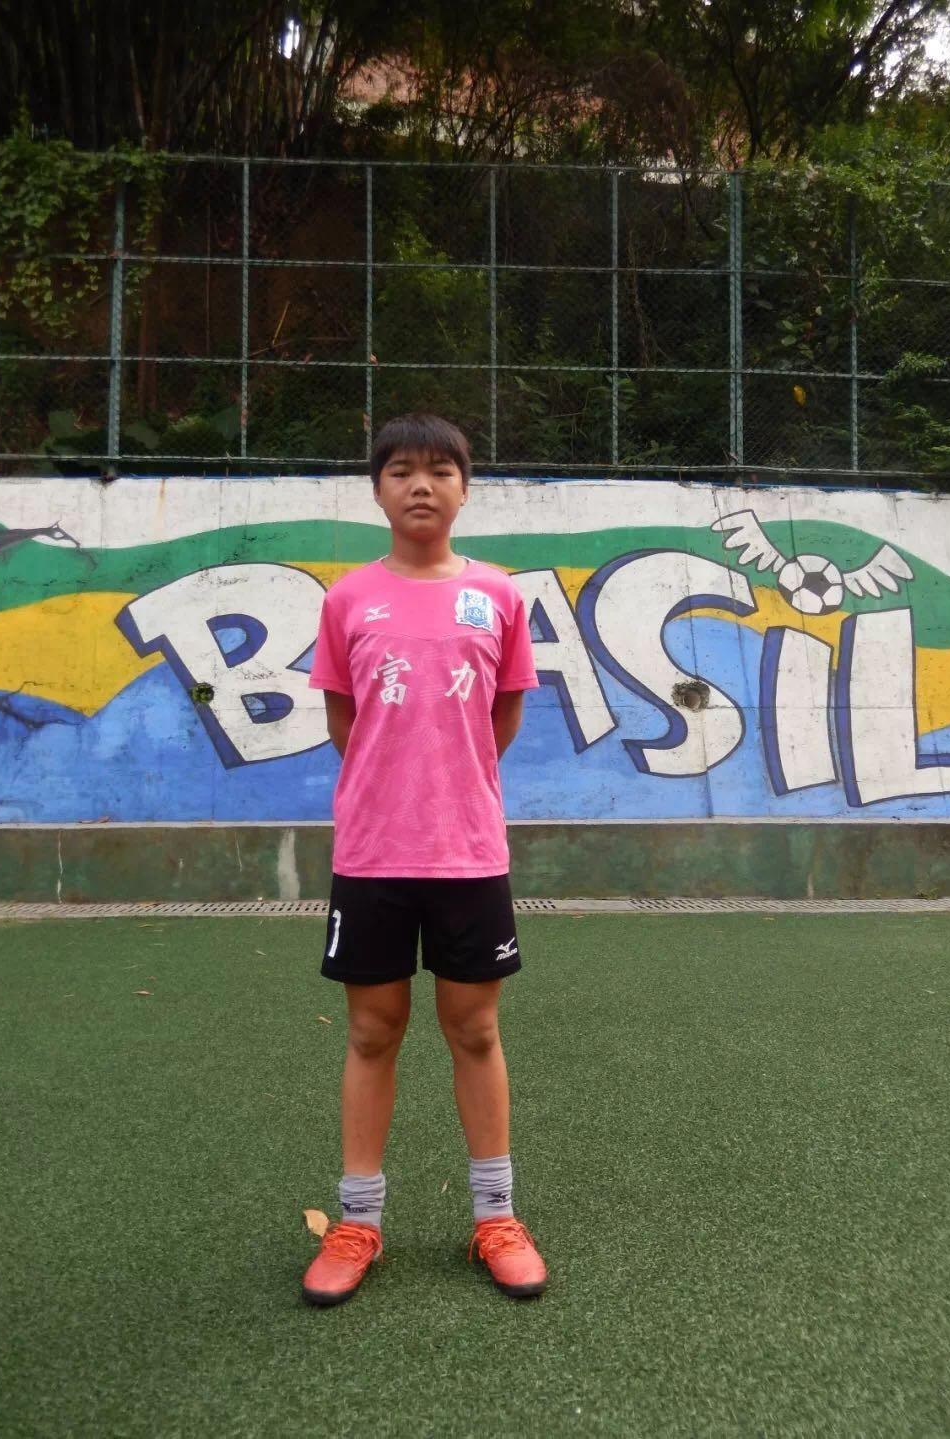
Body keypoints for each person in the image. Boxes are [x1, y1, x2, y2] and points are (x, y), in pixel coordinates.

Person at [301, 412, 548, 1306]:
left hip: (468, 851)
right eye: (401, 469)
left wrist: (449, 786)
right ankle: (358, 1221)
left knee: (474, 1029)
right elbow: (346, 720)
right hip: (373, 852)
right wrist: (393, 789)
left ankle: (496, 1217)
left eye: (440, 470)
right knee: (373, 1031)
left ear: (463, 490)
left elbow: (503, 714)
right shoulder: (347, 600)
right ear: (377, 489)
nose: (420, 485)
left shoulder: (498, 596)